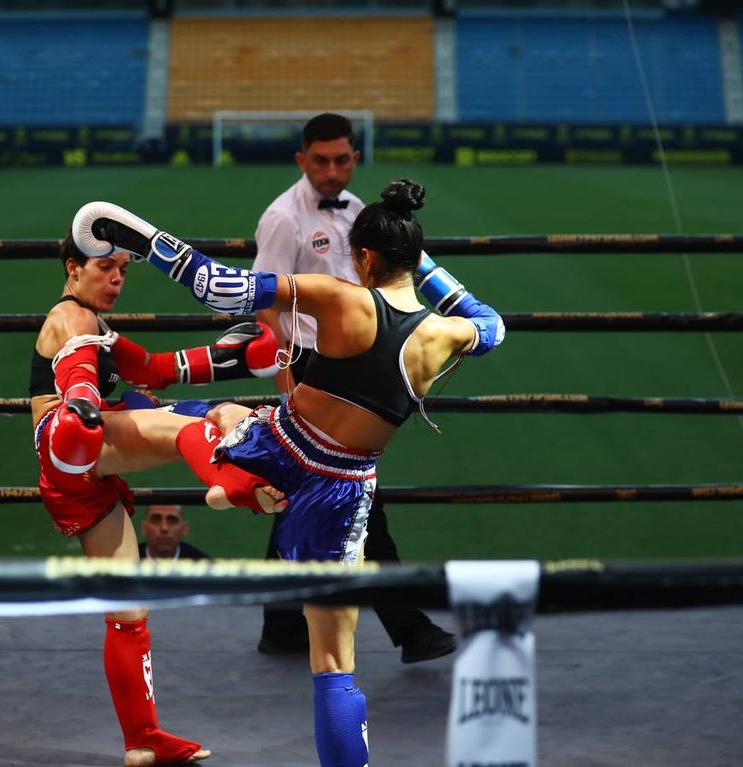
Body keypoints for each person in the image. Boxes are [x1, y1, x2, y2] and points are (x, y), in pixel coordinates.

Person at [71, 178, 505, 767]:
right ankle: (230, 478)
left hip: (277, 447)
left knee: (181, 415)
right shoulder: (444, 335)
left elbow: (225, 290)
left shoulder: (343, 298)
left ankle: (200, 470)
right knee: (333, 666)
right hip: (343, 489)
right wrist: (420, 260)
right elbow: (491, 323)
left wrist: (142, 241)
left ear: (366, 257)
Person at [30, 234, 286, 766]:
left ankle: (142, 739)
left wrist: (226, 358)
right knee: (187, 422)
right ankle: (233, 485)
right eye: (106, 267)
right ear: (73, 269)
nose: (117, 279)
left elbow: (152, 367)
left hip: (76, 480)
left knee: (128, 611)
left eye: (124, 269)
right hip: (73, 440)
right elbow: (75, 366)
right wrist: (81, 400)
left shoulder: (96, 326)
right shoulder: (70, 318)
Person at [252, 111, 456, 663]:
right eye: (320, 160)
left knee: (307, 495)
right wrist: (288, 380)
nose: (332, 170)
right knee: (356, 500)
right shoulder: (282, 219)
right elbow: (264, 304)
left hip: (361, 363)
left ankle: (283, 625)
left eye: (342, 159)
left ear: (355, 159)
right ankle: (407, 627)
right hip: (311, 371)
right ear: (302, 160)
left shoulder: (369, 216)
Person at [138, 504, 211, 561]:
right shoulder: (128, 561)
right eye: (156, 520)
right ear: (144, 528)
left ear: (184, 529)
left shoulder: (203, 565)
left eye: (172, 520)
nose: (164, 528)